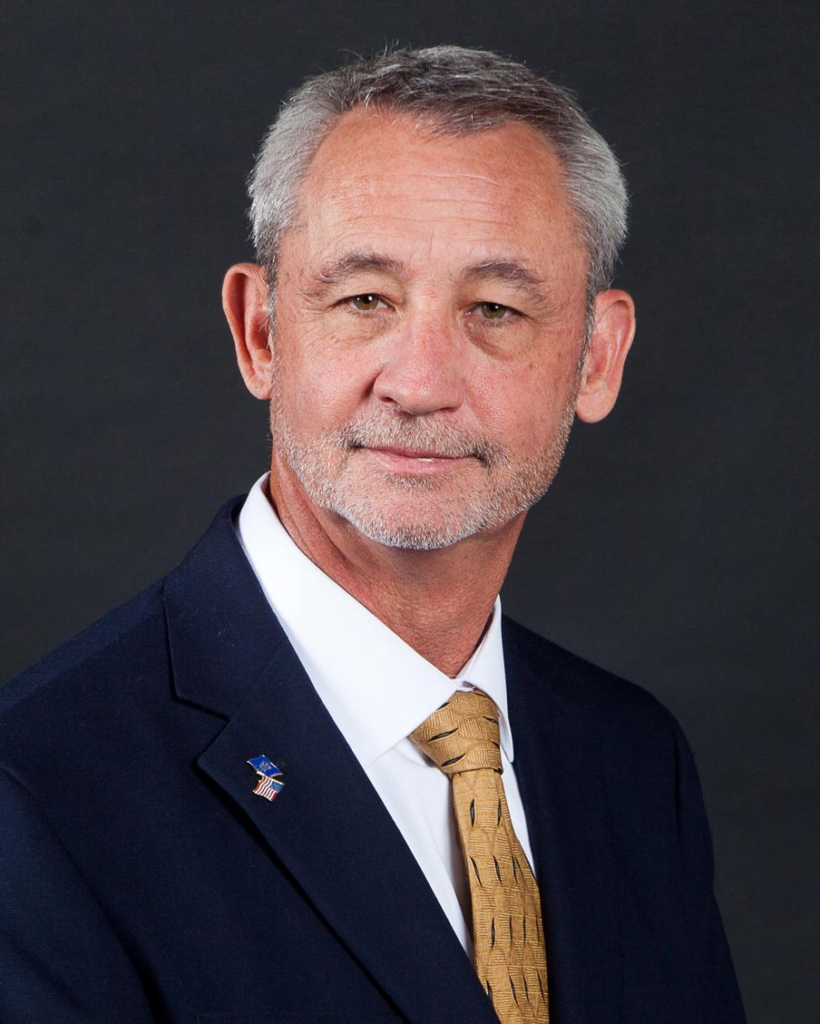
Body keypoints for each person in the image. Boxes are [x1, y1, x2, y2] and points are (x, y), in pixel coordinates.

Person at [0, 46, 746, 1024]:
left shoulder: (630, 758)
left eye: (494, 308)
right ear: (260, 333)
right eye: (364, 300)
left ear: (596, 358)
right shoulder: (38, 794)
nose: (420, 381)